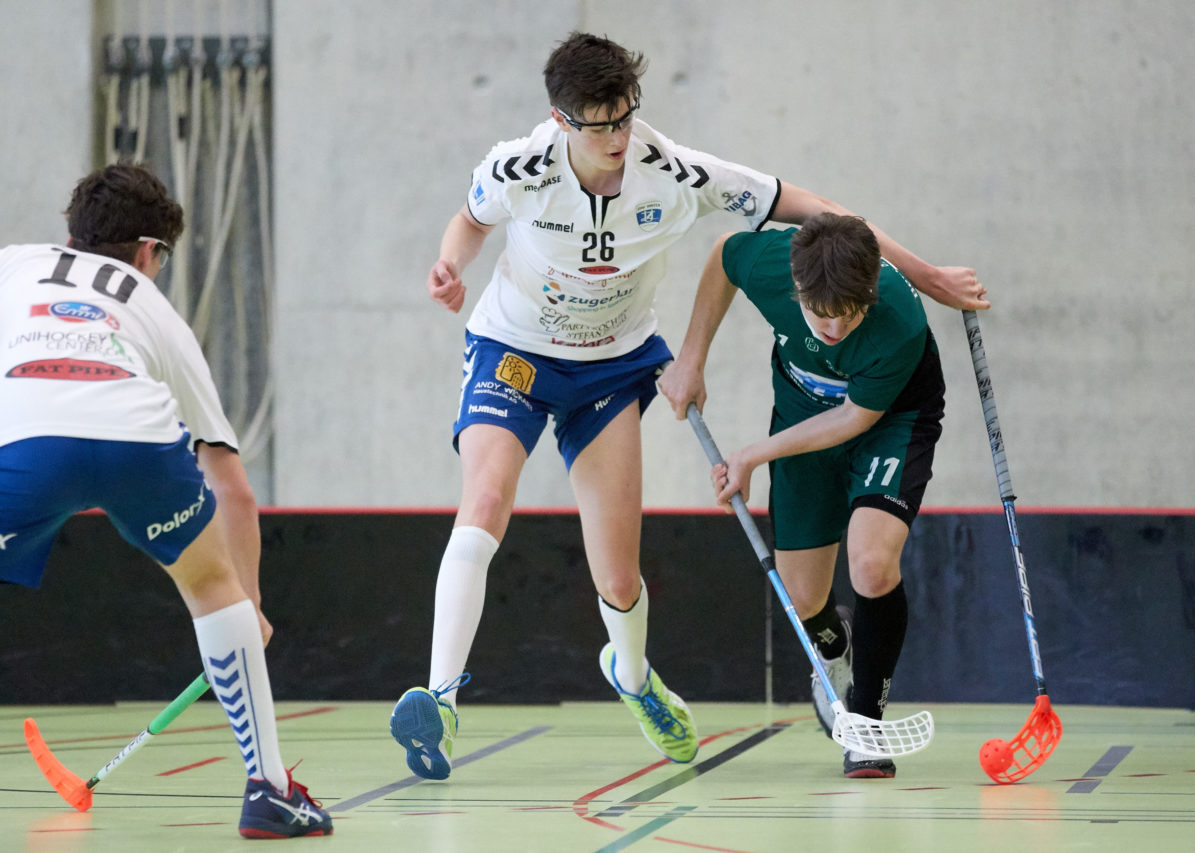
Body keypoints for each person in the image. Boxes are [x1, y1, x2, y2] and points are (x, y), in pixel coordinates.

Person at [390, 31, 986, 780]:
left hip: (612, 366)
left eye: (626, 117)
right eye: (599, 124)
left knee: (616, 578)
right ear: (560, 119)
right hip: (514, 351)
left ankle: (635, 676)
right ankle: (440, 700)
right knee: (485, 497)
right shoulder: (517, 167)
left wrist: (925, 274)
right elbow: (471, 222)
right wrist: (449, 266)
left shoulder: (673, 172)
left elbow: (820, 210)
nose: (618, 137)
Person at [0, 163, 333, 838]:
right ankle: (269, 791)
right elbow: (230, 483)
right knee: (211, 586)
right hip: (136, 441)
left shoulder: (13, 265)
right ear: (150, 252)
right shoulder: (157, 311)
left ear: (71, 233)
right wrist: (250, 602)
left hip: (26, 442)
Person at [659, 213, 966, 778]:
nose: (833, 329)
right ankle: (835, 641)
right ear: (795, 288)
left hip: (890, 422)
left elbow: (855, 416)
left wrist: (754, 454)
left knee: (872, 566)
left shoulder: (897, 318)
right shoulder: (772, 265)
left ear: (869, 292)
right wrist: (691, 359)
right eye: (820, 315)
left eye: (849, 315)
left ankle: (867, 727)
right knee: (804, 601)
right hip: (802, 416)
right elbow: (726, 253)